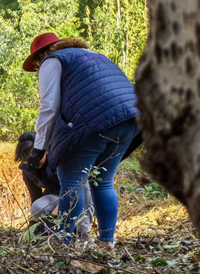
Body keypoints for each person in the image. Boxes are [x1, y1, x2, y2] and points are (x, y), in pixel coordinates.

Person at [22, 33, 140, 251]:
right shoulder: (93, 56)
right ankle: (106, 242)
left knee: (71, 184)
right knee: (103, 182)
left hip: (96, 121)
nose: (38, 67)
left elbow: (49, 106)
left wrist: (39, 149)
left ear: (42, 55)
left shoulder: (53, 60)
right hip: (130, 119)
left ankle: (63, 243)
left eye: (36, 63)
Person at [15, 131, 94, 237]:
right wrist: (33, 224)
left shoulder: (58, 161)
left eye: (36, 156)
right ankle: (55, 232)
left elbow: (70, 190)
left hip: (77, 194)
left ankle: (82, 232)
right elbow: (35, 196)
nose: (33, 162)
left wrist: (53, 217)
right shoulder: (27, 170)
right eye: (27, 159)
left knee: (84, 186)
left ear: (45, 151)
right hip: (54, 196)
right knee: (37, 206)